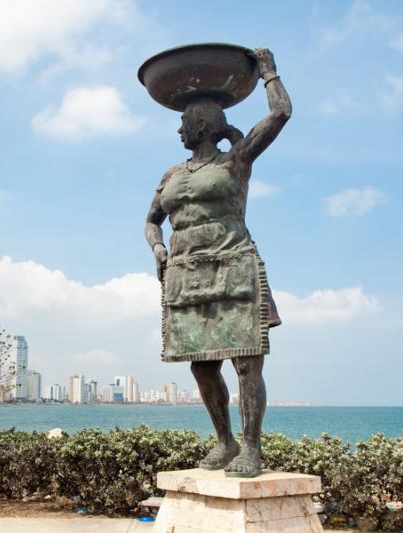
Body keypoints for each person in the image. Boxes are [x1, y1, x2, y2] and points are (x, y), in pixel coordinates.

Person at [144, 49, 291, 477]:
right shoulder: (171, 175)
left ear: (203, 125)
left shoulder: (236, 159)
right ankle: (224, 443)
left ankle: (251, 448)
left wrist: (267, 72)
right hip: (186, 273)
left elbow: (281, 114)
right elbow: (151, 221)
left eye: (184, 123)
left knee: (246, 362)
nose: (178, 130)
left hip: (233, 264)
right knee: (201, 365)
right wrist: (157, 249)